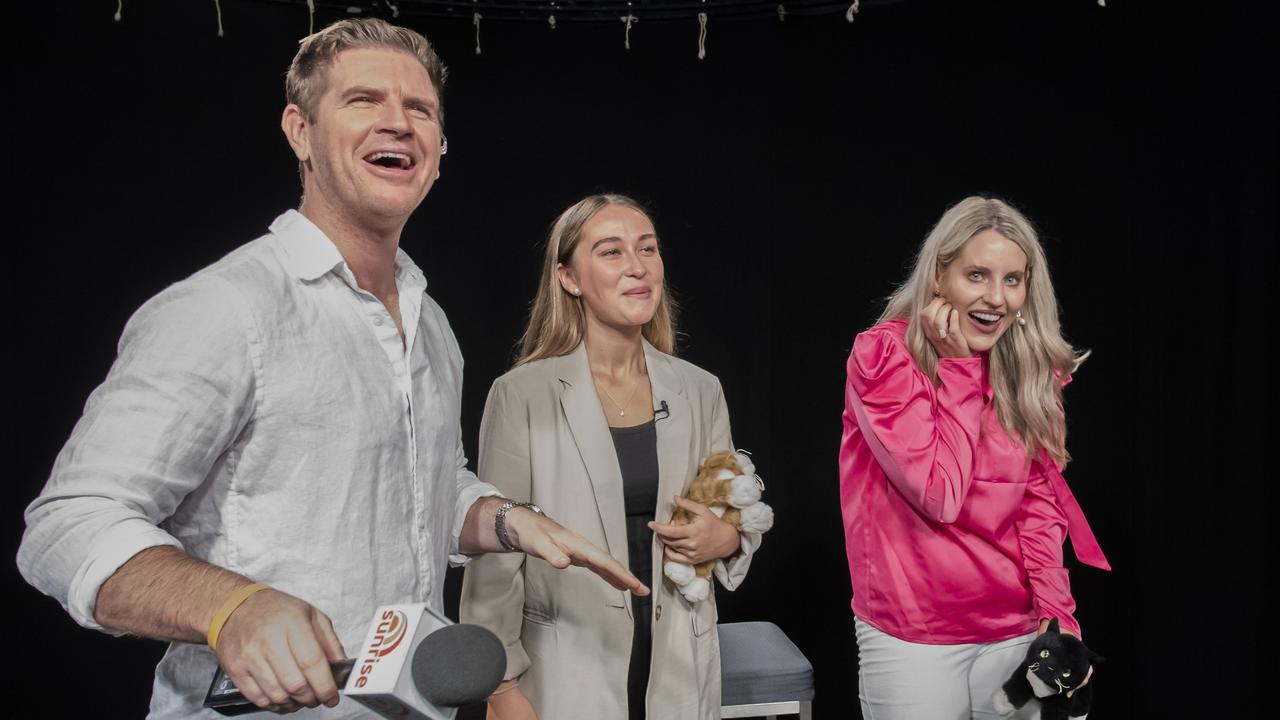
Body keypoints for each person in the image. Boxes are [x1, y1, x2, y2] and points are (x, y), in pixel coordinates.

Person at [16, 19, 645, 719]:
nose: (398, 123)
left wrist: (508, 520)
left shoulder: (431, 325)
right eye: (364, 101)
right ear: (300, 131)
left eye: (420, 110)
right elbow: (66, 525)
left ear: (439, 150)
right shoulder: (225, 308)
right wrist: (233, 606)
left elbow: (419, 488)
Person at [459, 194, 760, 720]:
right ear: (569, 277)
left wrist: (727, 538)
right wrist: (501, 685)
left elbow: (727, 500)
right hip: (567, 668)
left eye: (648, 248)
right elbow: (496, 549)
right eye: (612, 252)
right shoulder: (520, 394)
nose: (638, 266)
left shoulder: (701, 389)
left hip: (679, 664)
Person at [838, 196, 1110, 719]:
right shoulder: (883, 357)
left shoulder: (1028, 368)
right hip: (912, 636)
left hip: (1014, 629)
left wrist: (1058, 617)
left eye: (1013, 279)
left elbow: (1037, 506)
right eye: (977, 275)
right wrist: (960, 367)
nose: (996, 297)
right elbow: (938, 495)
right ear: (939, 277)